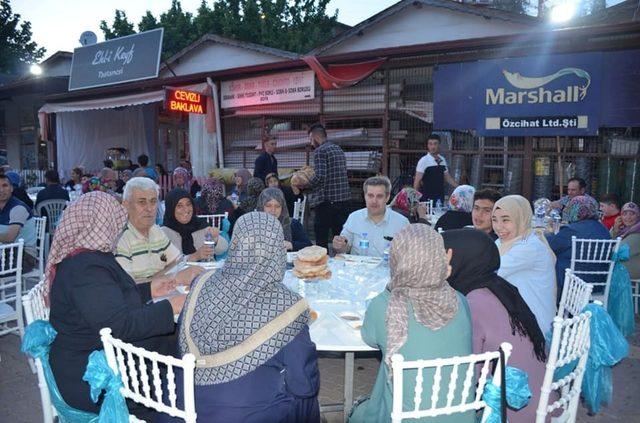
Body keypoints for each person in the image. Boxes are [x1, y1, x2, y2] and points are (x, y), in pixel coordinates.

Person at [46, 191, 187, 419]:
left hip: (98, 353)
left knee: (176, 340)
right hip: (93, 377)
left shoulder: (90, 258)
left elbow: (107, 301)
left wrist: (149, 289)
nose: (119, 227)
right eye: (115, 221)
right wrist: (172, 306)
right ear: (102, 223)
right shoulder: (86, 269)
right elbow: (118, 325)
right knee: (182, 351)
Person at [170, 212, 320, 422]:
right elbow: (303, 383)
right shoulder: (288, 305)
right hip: (242, 416)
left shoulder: (202, 282)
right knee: (306, 397)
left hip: (180, 407)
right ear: (276, 249)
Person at [349, 224, 473, 423]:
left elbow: (369, 338)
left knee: (357, 412)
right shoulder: (460, 299)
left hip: (403, 418)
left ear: (397, 259)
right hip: (461, 416)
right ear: (438, 257)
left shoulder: (384, 304)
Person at [442, 228, 549, 423]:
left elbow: (465, 378)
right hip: (541, 401)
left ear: (460, 259)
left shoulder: (473, 301)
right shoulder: (499, 287)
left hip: (510, 412)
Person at [115, 177, 201, 283]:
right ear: (126, 205)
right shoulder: (120, 239)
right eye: (142, 202)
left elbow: (177, 263)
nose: (149, 208)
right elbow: (129, 287)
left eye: (153, 201)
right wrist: (168, 276)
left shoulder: (155, 231)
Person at [493, 195, 557, 334]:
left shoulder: (527, 247)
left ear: (520, 218)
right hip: (517, 311)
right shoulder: (507, 241)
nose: (498, 227)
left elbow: (490, 271)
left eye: (506, 220)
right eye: (495, 220)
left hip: (533, 326)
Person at [292, 123, 350, 249]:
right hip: (343, 201)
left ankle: (321, 264)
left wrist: (305, 184)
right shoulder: (338, 149)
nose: (311, 144)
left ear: (315, 137)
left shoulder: (320, 151)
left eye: (311, 140)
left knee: (321, 237)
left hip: (327, 202)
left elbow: (320, 177)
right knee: (339, 238)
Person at [546, 196, 611, 292]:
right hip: (597, 282)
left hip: (573, 281)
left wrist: (545, 234)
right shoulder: (603, 229)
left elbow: (551, 245)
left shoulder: (572, 230)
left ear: (576, 211)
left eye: (570, 208)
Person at [333, 176, 409, 257]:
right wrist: (339, 245)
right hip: (358, 268)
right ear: (365, 196)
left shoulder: (402, 223)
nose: (374, 201)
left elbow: (408, 255)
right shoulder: (354, 218)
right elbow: (344, 248)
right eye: (370, 196)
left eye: (379, 196)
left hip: (388, 269)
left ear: (387, 197)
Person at [162, 188, 229, 261]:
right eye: (179, 206)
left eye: (188, 204)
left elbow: (223, 249)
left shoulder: (199, 224)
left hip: (207, 271)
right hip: (179, 272)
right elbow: (166, 263)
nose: (186, 209)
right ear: (171, 209)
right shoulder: (164, 233)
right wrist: (195, 256)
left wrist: (216, 239)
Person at [257, 187, 311, 252]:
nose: (273, 210)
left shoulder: (292, 224)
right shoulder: (254, 226)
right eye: (268, 206)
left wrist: (291, 245)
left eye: (277, 206)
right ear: (261, 207)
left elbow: (309, 246)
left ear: (282, 208)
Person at [413, 133, 458, 204]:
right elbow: (417, 182)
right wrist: (415, 200)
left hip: (440, 197)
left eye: (435, 144)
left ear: (439, 145)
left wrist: (459, 187)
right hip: (427, 199)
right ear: (427, 145)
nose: (433, 146)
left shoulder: (442, 159)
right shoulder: (423, 161)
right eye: (430, 144)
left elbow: (447, 177)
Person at [0, 174, 37, 249]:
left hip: (23, 254)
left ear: (11, 189)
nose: (1, 190)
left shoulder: (18, 208)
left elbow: (9, 238)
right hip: (5, 251)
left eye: (5, 186)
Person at [611, 202, 640, 279]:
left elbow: (617, 252)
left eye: (632, 214)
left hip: (631, 270)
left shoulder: (637, 233)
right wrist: (615, 231)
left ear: (638, 216)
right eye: (625, 214)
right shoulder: (623, 230)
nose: (628, 217)